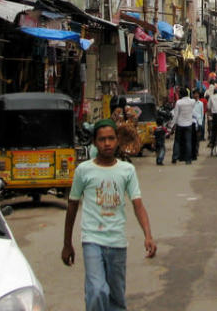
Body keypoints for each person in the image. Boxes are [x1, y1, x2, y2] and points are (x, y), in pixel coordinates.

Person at [62, 119, 157, 311]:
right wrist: (67, 243)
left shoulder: (127, 170)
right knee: (97, 291)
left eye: (111, 139)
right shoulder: (84, 170)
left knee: (116, 298)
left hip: (117, 242)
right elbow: (72, 205)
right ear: (95, 142)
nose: (107, 143)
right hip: (92, 240)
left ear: (117, 141)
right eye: (102, 139)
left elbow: (137, 204)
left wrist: (148, 235)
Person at [171, 88, 196, 164]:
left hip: (180, 124)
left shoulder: (179, 102)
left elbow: (176, 114)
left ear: (181, 94)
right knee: (188, 141)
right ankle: (188, 159)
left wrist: (173, 124)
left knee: (177, 141)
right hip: (189, 123)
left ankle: (175, 157)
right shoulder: (192, 101)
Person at [191, 90, 205, 161]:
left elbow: (202, 114)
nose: (196, 95)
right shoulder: (191, 103)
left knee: (197, 139)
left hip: (199, 123)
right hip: (192, 123)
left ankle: (196, 151)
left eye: (197, 94)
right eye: (195, 94)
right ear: (193, 95)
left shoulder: (201, 103)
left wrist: (201, 122)